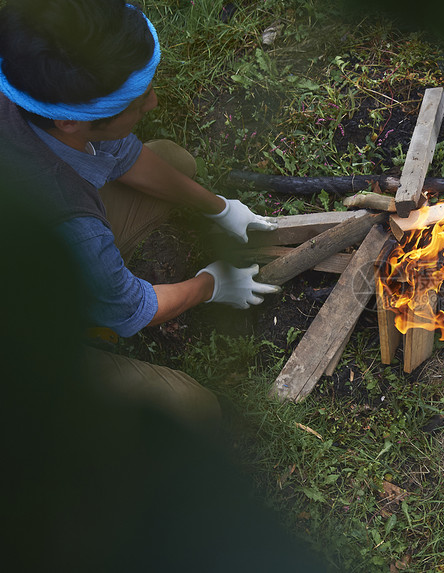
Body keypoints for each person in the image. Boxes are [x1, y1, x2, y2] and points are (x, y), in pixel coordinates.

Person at [0, 0, 280, 431]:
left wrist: (220, 208)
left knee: (172, 161)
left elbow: (122, 152)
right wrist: (212, 284)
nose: (152, 102)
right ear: (70, 122)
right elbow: (133, 310)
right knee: (189, 407)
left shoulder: (24, 73)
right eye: (135, 100)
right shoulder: (70, 222)